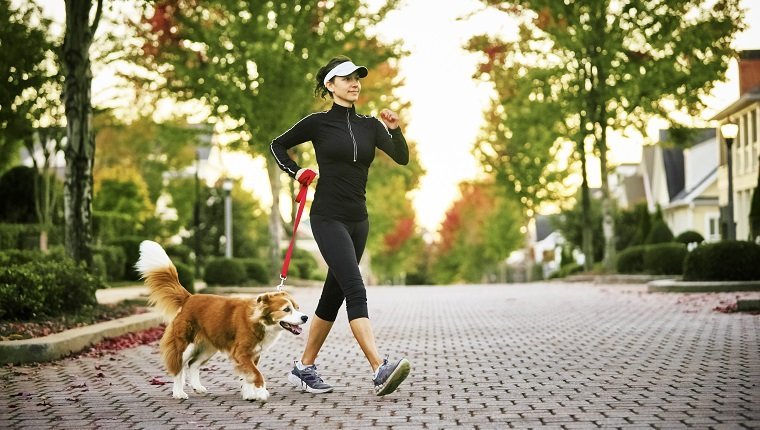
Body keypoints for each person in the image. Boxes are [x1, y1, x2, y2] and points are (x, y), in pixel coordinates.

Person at [270, 55, 411, 396]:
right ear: (330, 86)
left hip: (358, 221)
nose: (354, 83)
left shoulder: (371, 126)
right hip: (327, 217)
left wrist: (395, 129)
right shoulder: (318, 124)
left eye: (357, 78)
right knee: (354, 288)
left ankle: (303, 368)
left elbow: (402, 157)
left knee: (333, 296)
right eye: (346, 78)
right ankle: (380, 368)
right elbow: (277, 145)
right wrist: (297, 171)